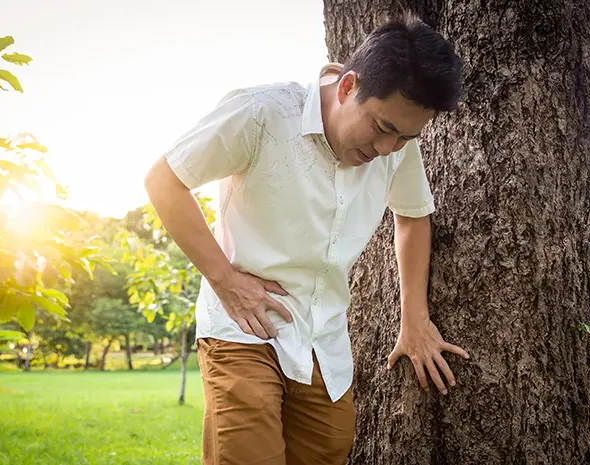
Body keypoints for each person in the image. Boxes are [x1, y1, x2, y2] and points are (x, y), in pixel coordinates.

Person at [144, 12, 470, 465]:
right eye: (381, 129)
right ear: (348, 86)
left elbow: (413, 216)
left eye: (404, 138)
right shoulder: (262, 113)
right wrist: (225, 280)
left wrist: (413, 319)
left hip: (325, 343)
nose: (386, 149)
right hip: (244, 329)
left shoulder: (397, 144)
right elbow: (164, 180)